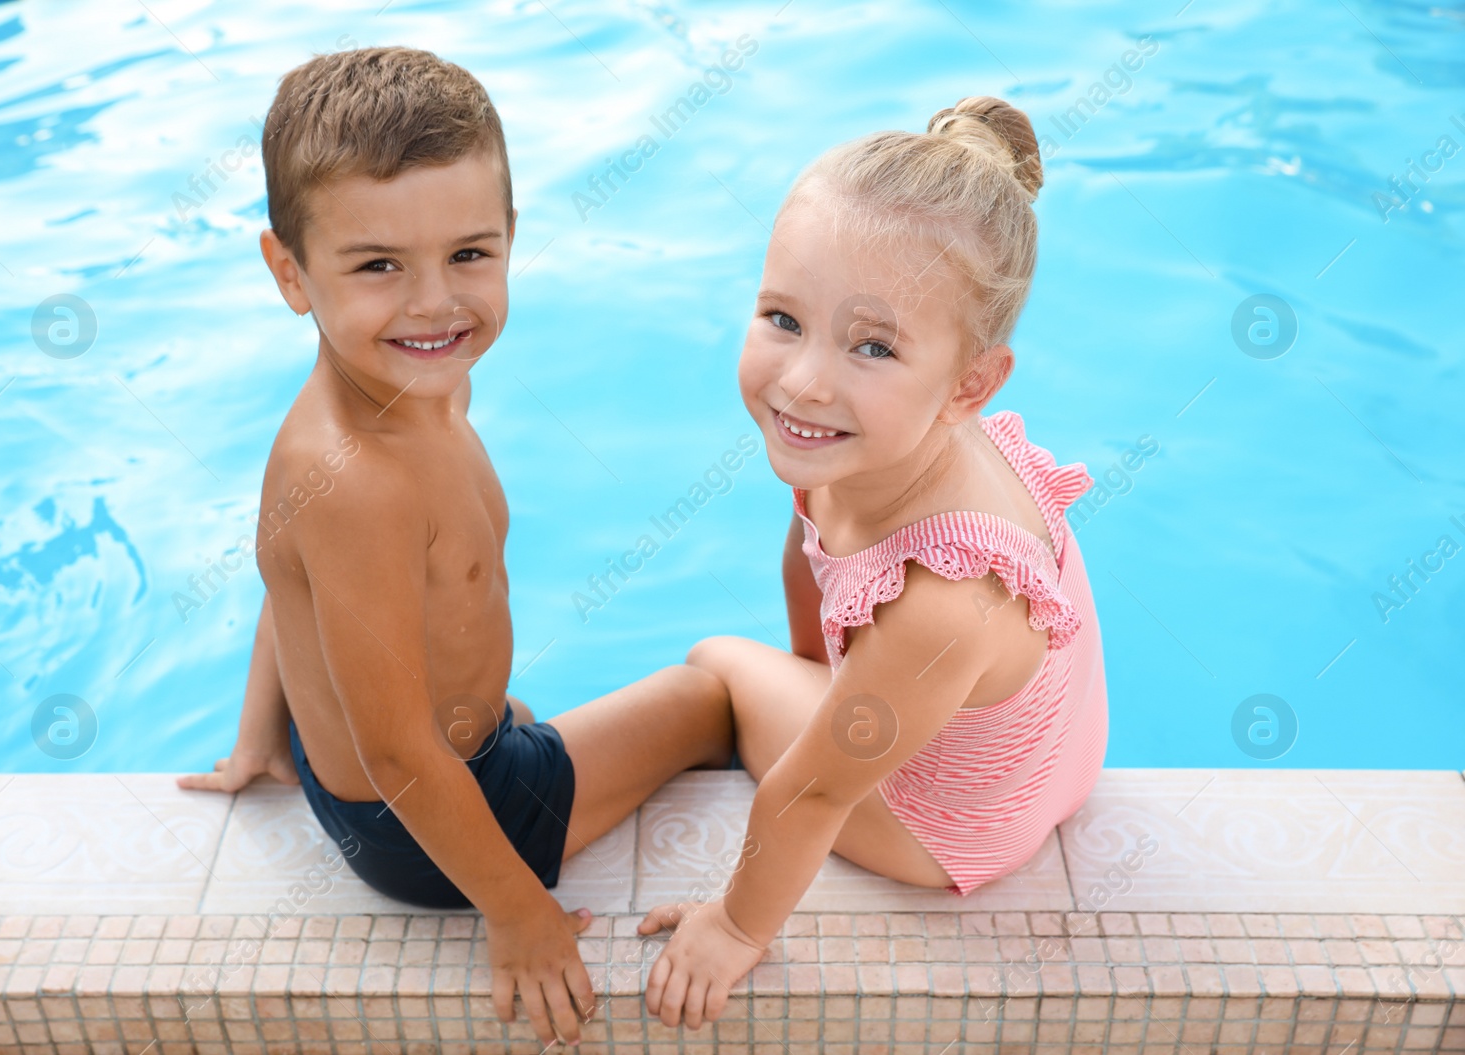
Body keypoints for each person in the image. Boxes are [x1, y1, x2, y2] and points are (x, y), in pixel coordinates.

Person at [175, 46, 734, 1048]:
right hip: (424, 822)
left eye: (469, 255)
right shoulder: (357, 477)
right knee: (713, 692)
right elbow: (397, 750)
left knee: (510, 710)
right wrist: (518, 915)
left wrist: (262, 741)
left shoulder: (405, 377)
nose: (434, 303)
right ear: (288, 272)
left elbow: (285, 585)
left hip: (348, 762)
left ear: (512, 237)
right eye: (379, 265)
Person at [638, 96, 1109, 1030]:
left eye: (873, 345)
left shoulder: (945, 600)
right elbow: (806, 549)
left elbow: (811, 791)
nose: (805, 379)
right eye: (782, 318)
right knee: (799, 679)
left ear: (970, 383)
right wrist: (826, 676)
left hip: (958, 835)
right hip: (1060, 755)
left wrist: (735, 927)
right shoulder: (868, 440)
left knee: (716, 662)